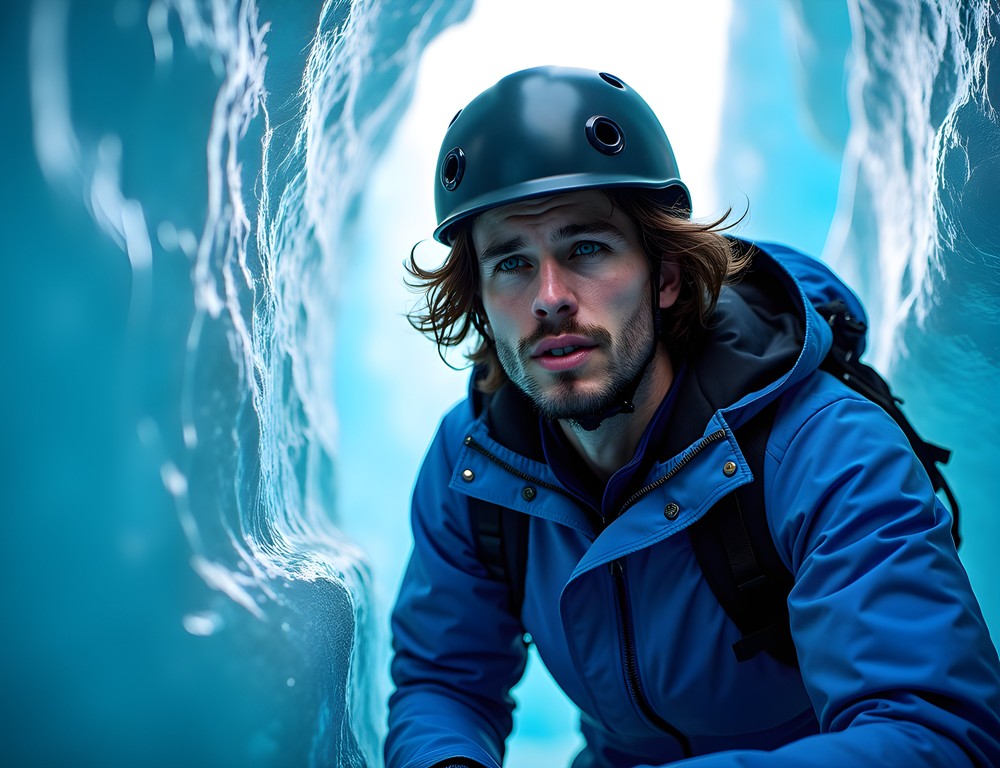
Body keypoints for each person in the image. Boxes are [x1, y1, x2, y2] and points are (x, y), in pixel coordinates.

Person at [385, 66, 1000, 768]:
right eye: (512, 263)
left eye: (585, 248)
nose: (550, 296)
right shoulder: (477, 465)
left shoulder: (825, 450)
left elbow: (935, 735)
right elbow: (445, 684)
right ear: (480, 302)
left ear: (667, 277)